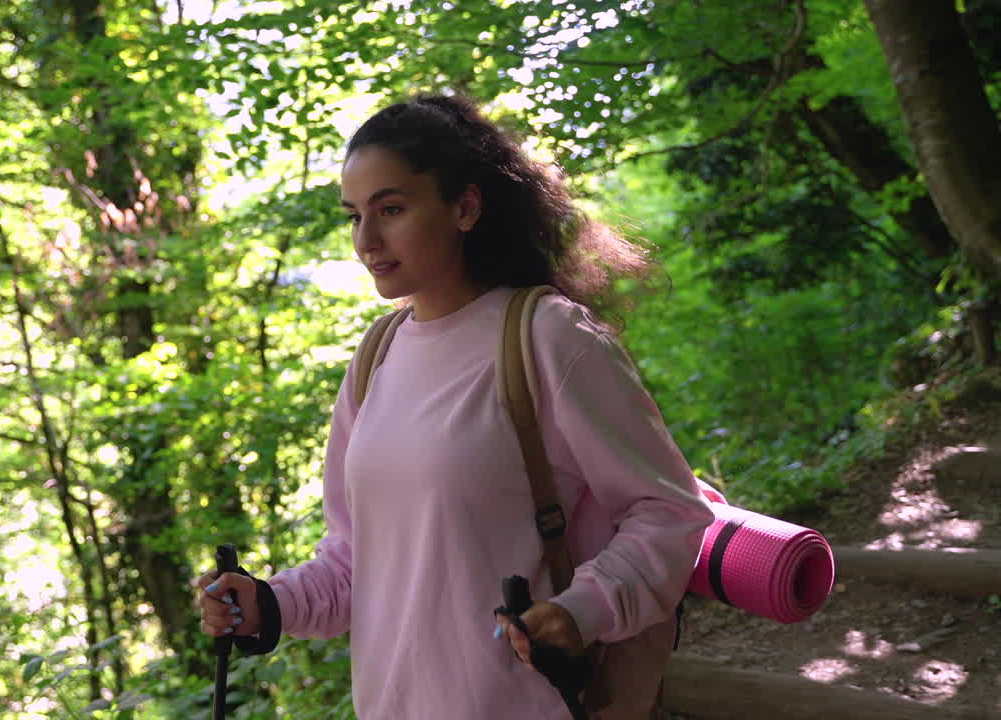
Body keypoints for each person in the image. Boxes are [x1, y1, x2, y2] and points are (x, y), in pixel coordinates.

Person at [195, 92, 714, 719]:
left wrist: (583, 610)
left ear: (465, 206)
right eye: (354, 215)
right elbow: (354, 563)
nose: (367, 239)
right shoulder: (377, 354)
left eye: (391, 209)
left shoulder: (550, 338)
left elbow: (669, 513)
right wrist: (266, 603)